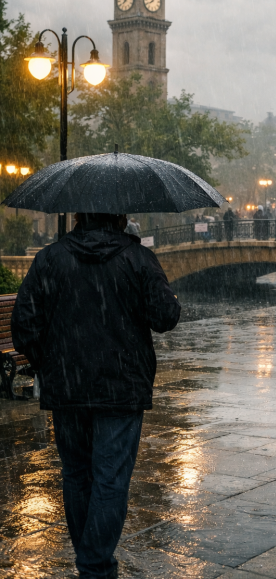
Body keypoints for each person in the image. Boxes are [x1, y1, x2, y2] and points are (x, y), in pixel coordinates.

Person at [11, 212, 180, 579]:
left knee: (76, 474)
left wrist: (50, 364)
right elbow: (166, 317)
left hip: (68, 387)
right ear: (121, 216)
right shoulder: (138, 259)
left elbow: (23, 326)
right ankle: (95, 567)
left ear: (77, 216)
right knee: (110, 478)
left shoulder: (51, 259)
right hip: (121, 387)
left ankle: (91, 561)